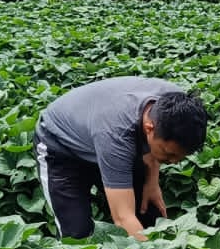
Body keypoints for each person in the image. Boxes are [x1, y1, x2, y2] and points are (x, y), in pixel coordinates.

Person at [34, 77, 208, 240]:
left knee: (149, 213)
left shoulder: (176, 105)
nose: (174, 161)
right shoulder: (117, 136)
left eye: (180, 156)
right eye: (169, 154)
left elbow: (155, 147)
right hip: (60, 146)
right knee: (77, 235)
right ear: (149, 128)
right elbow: (123, 218)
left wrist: (152, 182)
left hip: (100, 133)